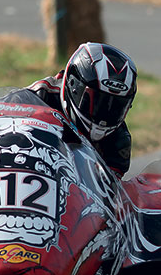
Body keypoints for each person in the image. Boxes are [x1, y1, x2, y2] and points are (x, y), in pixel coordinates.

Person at [29, 42, 137, 178]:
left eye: (116, 106)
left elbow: (109, 194)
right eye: (98, 101)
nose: (105, 113)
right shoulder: (39, 97)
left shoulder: (119, 141)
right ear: (74, 86)